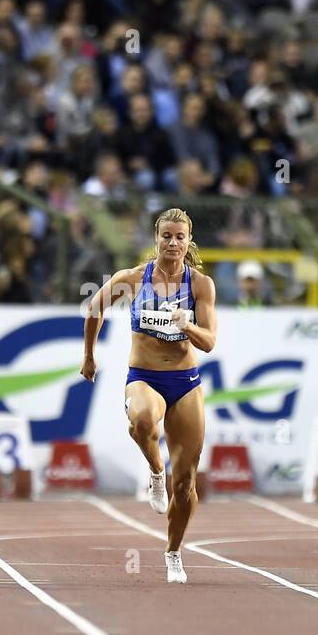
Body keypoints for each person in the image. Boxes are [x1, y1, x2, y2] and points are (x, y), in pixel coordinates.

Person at [81, 208, 219, 584]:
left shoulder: (201, 285)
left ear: (189, 241)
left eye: (180, 237)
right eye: (166, 236)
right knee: (142, 421)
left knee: (187, 482)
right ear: (155, 239)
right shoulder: (132, 279)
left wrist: (187, 324)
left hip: (185, 382)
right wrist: (89, 356)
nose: (173, 243)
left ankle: (173, 552)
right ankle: (156, 471)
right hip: (143, 376)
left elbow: (209, 342)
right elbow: (94, 308)